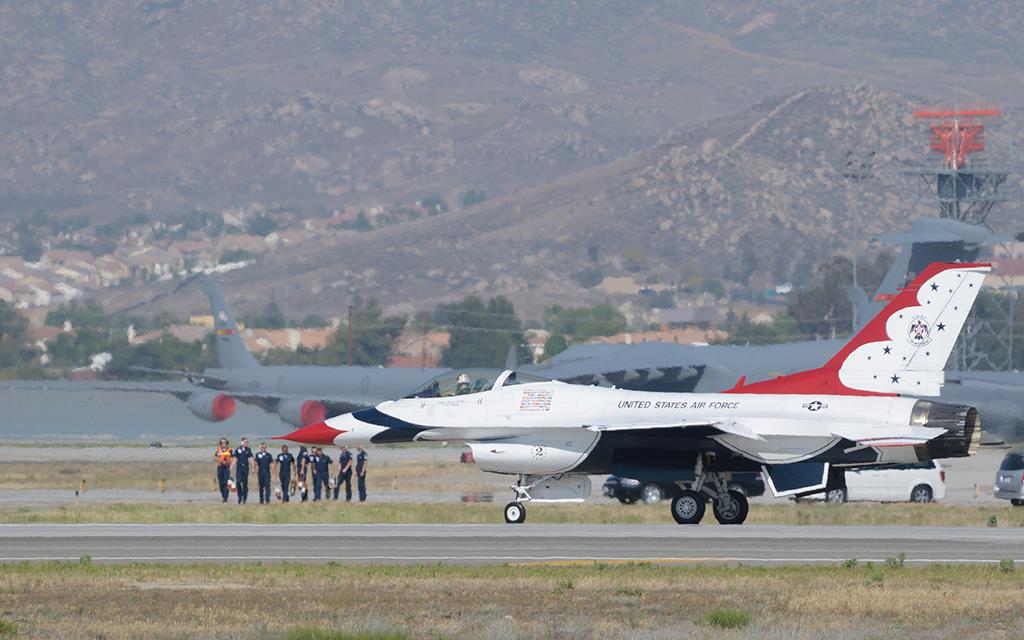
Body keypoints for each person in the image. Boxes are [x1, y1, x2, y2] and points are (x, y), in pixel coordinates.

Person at [232, 437, 253, 504]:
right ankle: (239, 496)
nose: (246, 443)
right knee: (238, 482)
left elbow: (250, 459)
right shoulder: (238, 450)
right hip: (239, 468)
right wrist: (231, 466)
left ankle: (244, 498)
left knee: (245, 484)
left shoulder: (248, 449)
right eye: (245, 442)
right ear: (242, 442)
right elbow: (235, 459)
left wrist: (253, 467)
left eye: (247, 442)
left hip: (245, 468)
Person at [214, 438, 233, 502]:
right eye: (222, 442)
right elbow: (215, 457)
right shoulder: (219, 450)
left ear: (226, 443)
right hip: (220, 467)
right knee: (221, 483)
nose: (223, 444)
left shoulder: (230, 450)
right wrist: (221, 461)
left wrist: (228, 462)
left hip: (226, 468)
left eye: (224, 442)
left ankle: (225, 497)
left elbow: (232, 458)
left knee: (226, 482)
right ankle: (223, 495)